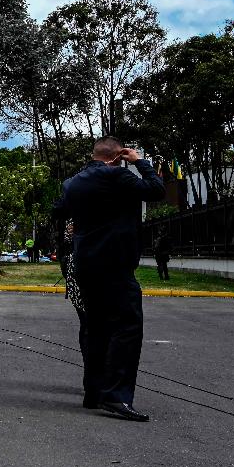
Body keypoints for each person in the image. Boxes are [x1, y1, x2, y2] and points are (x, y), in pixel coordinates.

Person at [52, 137, 165, 422]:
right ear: (117, 157)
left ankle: (94, 392)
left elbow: (59, 211)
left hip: (85, 265)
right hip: (115, 264)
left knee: (95, 328)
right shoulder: (118, 174)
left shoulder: (72, 183)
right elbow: (156, 190)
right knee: (127, 327)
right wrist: (140, 161)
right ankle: (116, 396)